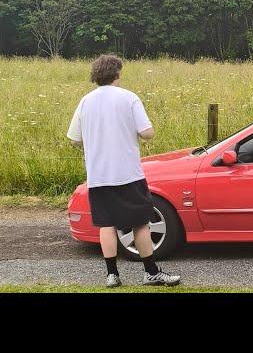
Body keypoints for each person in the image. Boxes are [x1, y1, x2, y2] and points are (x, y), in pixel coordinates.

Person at [67, 54, 181, 288]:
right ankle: (150, 272)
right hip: (128, 173)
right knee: (140, 222)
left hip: (98, 176)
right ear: (117, 73)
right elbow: (147, 132)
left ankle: (112, 275)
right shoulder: (129, 98)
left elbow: (75, 139)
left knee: (106, 224)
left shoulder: (86, 101)